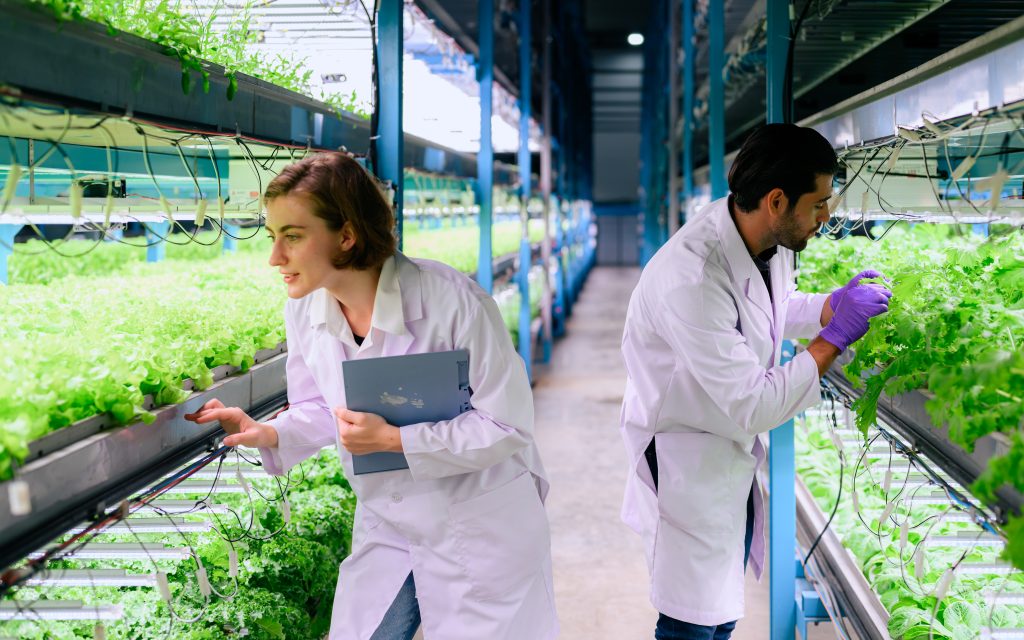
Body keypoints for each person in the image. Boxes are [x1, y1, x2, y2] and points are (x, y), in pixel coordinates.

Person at [185, 152, 557, 640]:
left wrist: (396, 440)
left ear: (346, 234)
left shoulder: (452, 303)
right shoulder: (304, 310)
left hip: (478, 520)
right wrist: (270, 431)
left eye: (292, 237)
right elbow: (322, 408)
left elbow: (506, 424)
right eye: (273, 237)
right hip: (389, 523)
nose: (274, 257)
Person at [619, 123, 891, 640]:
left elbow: (770, 310)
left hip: (722, 449)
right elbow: (753, 403)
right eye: (818, 203)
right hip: (686, 457)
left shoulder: (769, 240)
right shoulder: (693, 276)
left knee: (718, 611)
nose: (825, 217)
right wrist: (833, 338)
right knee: (691, 621)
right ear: (776, 200)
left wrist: (829, 305)